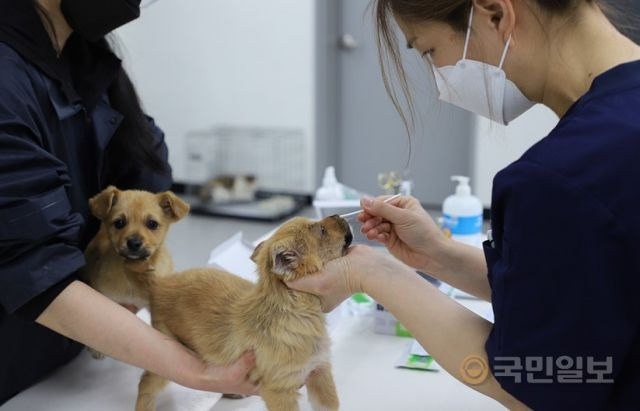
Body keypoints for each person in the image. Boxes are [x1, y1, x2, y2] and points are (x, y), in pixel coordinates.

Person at [287, 0, 640, 409]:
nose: (440, 81)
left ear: (495, 14)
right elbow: (585, 291)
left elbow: (536, 383)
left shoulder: (563, 178)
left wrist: (371, 272)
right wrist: (437, 255)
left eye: (430, 52)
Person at [0, 0, 256, 404]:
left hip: (75, 355)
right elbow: (34, 270)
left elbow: (146, 168)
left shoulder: (87, 63)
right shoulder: (9, 80)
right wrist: (195, 369)